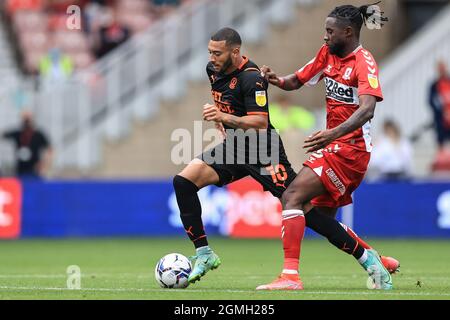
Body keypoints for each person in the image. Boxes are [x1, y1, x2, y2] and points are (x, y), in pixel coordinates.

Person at [173, 27, 398, 287]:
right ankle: (204, 254)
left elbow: (258, 122)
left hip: (262, 150)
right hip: (235, 146)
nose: (212, 57)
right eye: (210, 52)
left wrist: (223, 117)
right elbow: (226, 103)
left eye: (217, 53)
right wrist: (222, 122)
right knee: (183, 182)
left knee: (303, 209)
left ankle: (369, 256)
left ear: (235, 52)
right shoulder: (212, 70)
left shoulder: (252, 78)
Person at [257, 3, 394, 290]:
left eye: (330, 32)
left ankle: (290, 277)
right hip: (335, 146)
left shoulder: (363, 62)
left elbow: (367, 109)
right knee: (314, 217)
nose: (325, 37)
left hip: (351, 150)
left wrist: (332, 134)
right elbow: (296, 80)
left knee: (292, 194)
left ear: (348, 32)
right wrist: (274, 80)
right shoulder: (327, 54)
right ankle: (374, 258)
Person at [2, 111, 52, 178]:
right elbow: (3, 134)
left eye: (28, 119)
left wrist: (44, 164)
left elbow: (50, 149)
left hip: (35, 170)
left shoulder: (38, 135)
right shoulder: (18, 134)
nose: (26, 122)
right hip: (20, 170)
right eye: (25, 120)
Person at [429, 60, 450, 150]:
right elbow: (431, 100)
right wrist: (443, 111)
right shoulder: (434, 85)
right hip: (441, 119)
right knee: (441, 143)